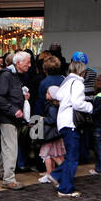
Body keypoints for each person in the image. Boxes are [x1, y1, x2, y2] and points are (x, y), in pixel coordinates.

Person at [50, 57, 96, 197]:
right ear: (82, 72)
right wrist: (90, 107)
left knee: (71, 155)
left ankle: (57, 175)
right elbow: (77, 103)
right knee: (72, 157)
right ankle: (65, 188)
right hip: (71, 122)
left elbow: (57, 95)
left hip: (63, 121)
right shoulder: (78, 84)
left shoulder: (66, 81)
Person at [0, 50, 28, 189]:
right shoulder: (8, 76)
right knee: (11, 147)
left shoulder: (13, 75)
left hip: (10, 115)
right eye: (27, 62)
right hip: (8, 116)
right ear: (18, 63)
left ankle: (1, 171)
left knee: (8, 145)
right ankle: (8, 179)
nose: (29, 65)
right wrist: (14, 110)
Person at [34, 55, 68, 185]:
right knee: (57, 149)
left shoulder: (44, 83)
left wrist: (39, 119)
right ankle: (55, 172)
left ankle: (52, 173)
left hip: (48, 119)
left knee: (49, 150)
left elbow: (40, 102)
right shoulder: (64, 80)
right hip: (62, 118)